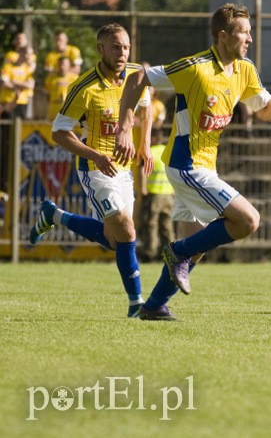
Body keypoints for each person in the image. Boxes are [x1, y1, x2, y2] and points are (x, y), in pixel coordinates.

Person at [114, 3, 271, 321]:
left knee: (196, 247)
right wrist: (123, 128)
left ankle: (154, 305)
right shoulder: (195, 67)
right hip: (185, 164)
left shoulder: (244, 71)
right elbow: (137, 79)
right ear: (223, 35)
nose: (250, 39)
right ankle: (177, 253)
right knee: (248, 221)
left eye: (251, 33)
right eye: (244, 33)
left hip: (204, 166)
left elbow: (265, 110)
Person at [28, 23, 154, 318]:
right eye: (115, 47)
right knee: (125, 227)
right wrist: (95, 156)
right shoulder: (84, 87)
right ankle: (137, 305)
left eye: (125, 47)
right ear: (100, 50)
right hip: (95, 169)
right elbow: (59, 132)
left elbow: (146, 106)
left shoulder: (136, 76)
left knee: (115, 241)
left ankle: (54, 215)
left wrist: (145, 144)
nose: (121, 53)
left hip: (124, 169)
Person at [136, 127, 175, 261]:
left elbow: (142, 171)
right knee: (167, 224)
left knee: (150, 223)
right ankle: (170, 253)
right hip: (169, 194)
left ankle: (150, 252)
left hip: (153, 193)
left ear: (151, 138)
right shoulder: (168, 151)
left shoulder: (149, 152)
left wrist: (142, 189)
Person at [1, 45, 36, 119]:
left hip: (22, 103)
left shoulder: (28, 69)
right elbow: (4, 83)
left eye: (31, 54)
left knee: (19, 128)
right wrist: (22, 84)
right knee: (6, 129)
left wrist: (13, 81)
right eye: (27, 54)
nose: (29, 56)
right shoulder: (8, 67)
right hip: (7, 102)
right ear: (20, 53)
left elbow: (30, 85)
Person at [43, 56, 78, 121]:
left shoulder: (75, 79)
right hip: (54, 110)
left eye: (64, 64)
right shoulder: (50, 78)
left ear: (69, 66)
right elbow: (47, 95)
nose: (61, 66)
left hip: (69, 111)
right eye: (60, 64)